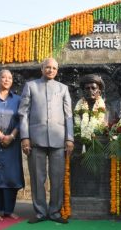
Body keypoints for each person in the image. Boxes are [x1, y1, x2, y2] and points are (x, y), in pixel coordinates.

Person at [19, 58, 74, 224]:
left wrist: (69, 138)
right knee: (37, 178)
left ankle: (55, 212)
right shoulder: (31, 86)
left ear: (57, 70)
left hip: (59, 139)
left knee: (57, 178)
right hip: (35, 139)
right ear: (42, 69)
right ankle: (40, 212)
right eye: (48, 67)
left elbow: (68, 115)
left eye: (54, 68)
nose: (51, 70)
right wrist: (25, 137)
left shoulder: (63, 88)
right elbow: (23, 113)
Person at [0, 69, 24, 221]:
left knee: (11, 175)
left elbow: (22, 119)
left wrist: (12, 135)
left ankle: (8, 210)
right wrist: (0, 135)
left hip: (12, 143)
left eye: (9, 78)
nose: (6, 80)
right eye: (3, 77)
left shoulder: (18, 99)